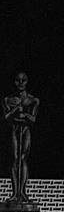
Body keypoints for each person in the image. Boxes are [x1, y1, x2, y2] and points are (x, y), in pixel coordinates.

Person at [2, 71, 39, 202]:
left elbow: (33, 119)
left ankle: (22, 192)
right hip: (14, 129)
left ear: (27, 82)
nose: (21, 83)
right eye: (18, 80)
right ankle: (15, 193)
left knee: (23, 158)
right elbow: (6, 117)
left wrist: (24, 115)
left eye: (23, 80)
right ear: (14, 81)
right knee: (15, 158)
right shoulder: (8, 99)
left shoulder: (33, 100)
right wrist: (15, 110)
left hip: (26, 130)